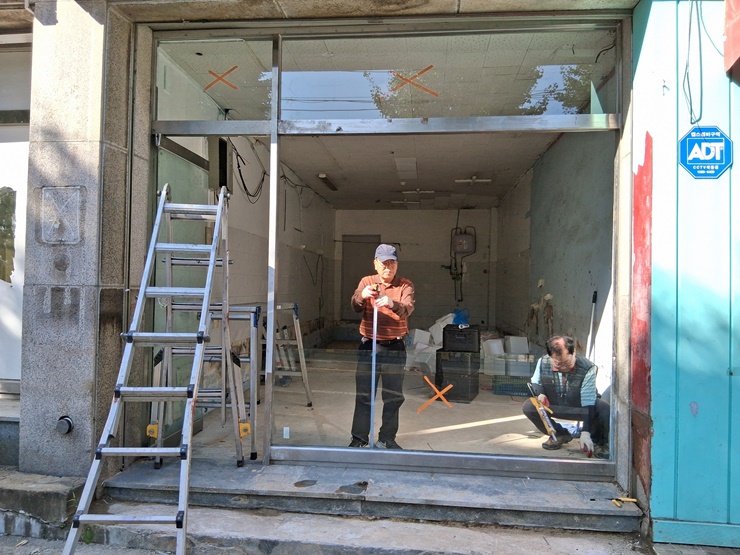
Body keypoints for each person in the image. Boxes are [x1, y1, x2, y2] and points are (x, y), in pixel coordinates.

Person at [348, 244, 415, 450]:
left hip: (395, 347)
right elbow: (355, 305)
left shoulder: (405, 285)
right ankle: (359, 438)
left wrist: (391, 303)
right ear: (375, 264)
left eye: (392, 263)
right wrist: (362, 295)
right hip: (369, 345)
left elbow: (407, 309)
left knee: (393, 396)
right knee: (364, 394)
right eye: (384, 263)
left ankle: (387, 438)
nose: (388, 268)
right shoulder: (367, 281)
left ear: (397, 265)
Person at [522, 335, 609, 456]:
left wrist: (585, 432)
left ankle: (598, 442)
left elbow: (588, 401)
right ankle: (559, 434)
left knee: (604, 408)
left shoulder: (588, 368)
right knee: (529, 406)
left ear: (574, 353)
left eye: (566, 363)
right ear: (550, 356)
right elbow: (536, 382)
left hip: (580, 407)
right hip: (554, 405)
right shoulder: (543, 362)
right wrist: (541, 394)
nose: (563, 368)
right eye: (558, 364)